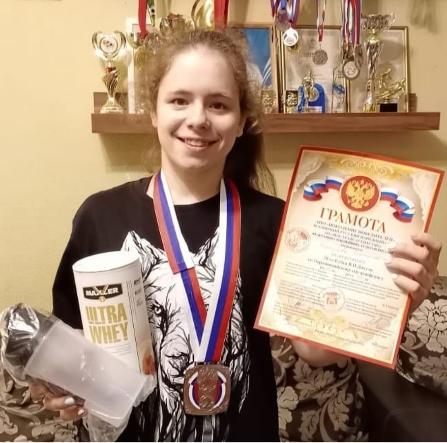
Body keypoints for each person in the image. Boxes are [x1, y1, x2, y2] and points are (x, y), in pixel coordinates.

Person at [32, 29, 441, 442]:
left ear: (242, 121)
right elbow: (69, 345)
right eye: (179, 100)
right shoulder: (100, 216)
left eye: (218, 104)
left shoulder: (277, 221)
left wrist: (392, 296)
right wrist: (58, 386)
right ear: (153, 110)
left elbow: (315, 350)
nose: (198, 119)